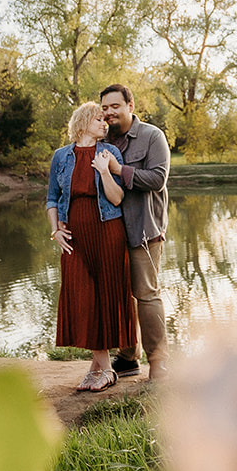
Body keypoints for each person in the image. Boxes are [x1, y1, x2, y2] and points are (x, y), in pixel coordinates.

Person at [46, 100, 136, 392]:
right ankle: (103, 368)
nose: (105, 123)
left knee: (105, 295)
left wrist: (105, 171)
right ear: (83, 123)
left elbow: (117, 199)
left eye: (105, 120)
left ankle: (102, 369)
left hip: (107, 231)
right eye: (99, 119)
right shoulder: (61, 157)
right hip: (74, 235)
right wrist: (55, 230)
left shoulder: (109, 152)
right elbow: (51, 198)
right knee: (82, 296)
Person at [99, 83, 170, 381]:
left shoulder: (153, 136)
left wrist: (119, 170)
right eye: (104, 108)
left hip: (143, 230)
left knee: (146, 295)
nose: (109, 113)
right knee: (119, 297)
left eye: (114, 106)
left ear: (130, 105)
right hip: (110, 232)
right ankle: (128, 358)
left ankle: (159, 363)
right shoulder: (101, 139)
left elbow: (157, 179)